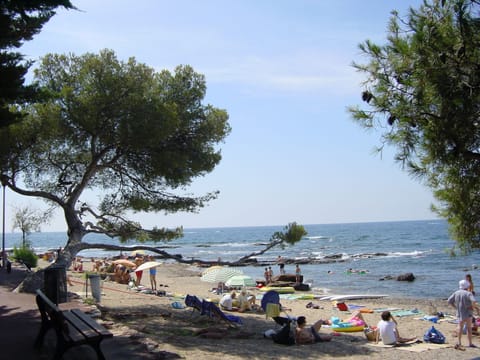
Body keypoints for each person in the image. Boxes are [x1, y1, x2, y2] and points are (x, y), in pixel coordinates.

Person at [448, 279, 477, 350]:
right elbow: (474, 301)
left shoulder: (456, 292)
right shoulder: (468, 293)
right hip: (468, 313)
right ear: (467, 286)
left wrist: (455, 307)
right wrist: (472, 307)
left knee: (460, 327)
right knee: (469, 328)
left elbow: (449, 301)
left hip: (460, 313)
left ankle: (459, 342)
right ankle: (470, 343)